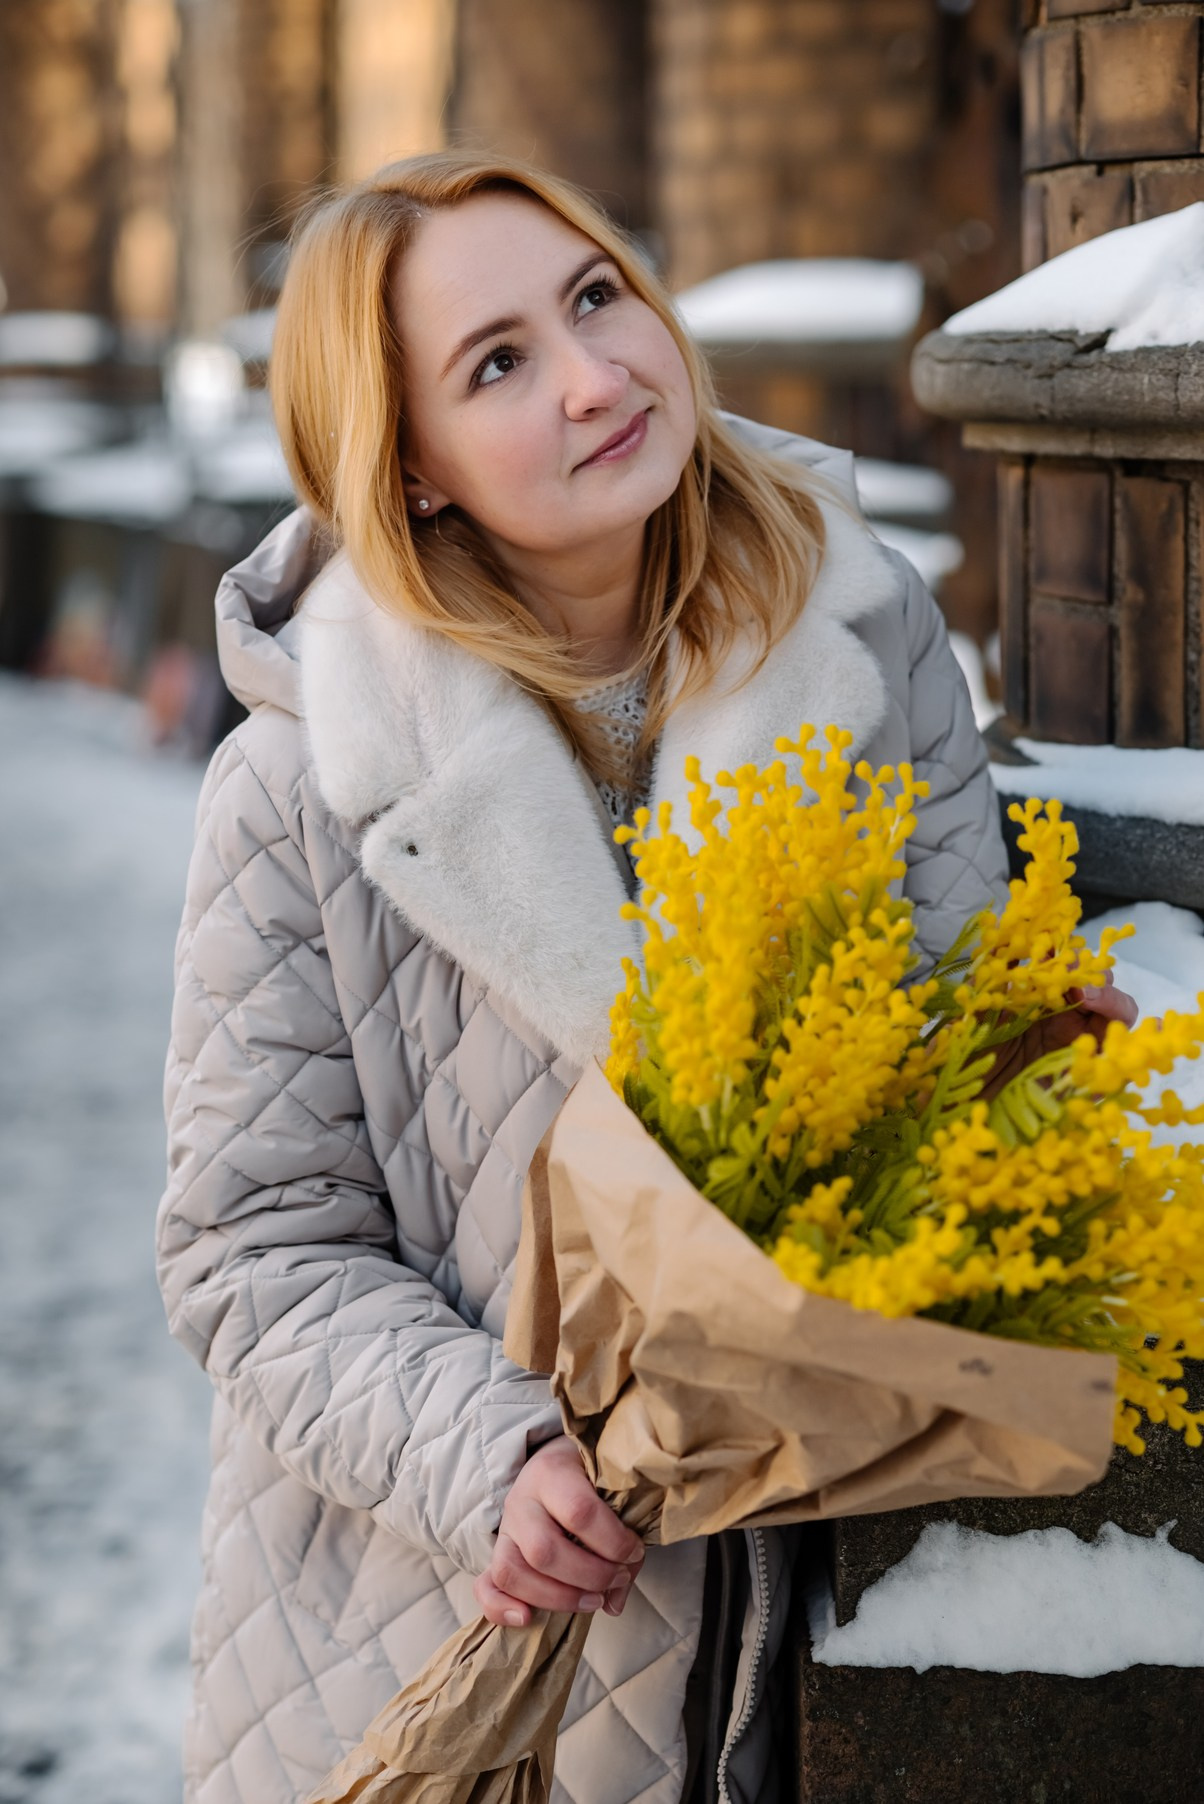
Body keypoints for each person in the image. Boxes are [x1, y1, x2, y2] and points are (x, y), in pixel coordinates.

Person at [156, 151, 1136, 1804]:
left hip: (797, 1637)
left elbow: (954, 1020)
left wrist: (1017, 1078)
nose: (599, 378)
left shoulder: (862, 632)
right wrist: (497, 1456)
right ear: (410, 476)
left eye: (596, 297)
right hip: (434, 1624)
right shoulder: (300, 783)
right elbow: (250, 1246)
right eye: (499, 364)